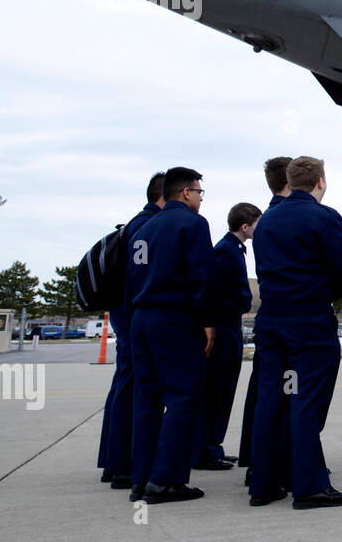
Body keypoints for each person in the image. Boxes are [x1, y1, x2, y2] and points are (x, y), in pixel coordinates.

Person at [249, 156, 342, 509]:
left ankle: (263, 483)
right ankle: (308, 485)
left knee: (270, 399)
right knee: (307, 401)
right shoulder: (324, 218)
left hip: (271, 319)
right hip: (309, 319)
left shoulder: (264, 223)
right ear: (320, 182)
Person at [128, 167, 215, 504]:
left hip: (141, 318)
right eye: (199, 192)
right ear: (186, 193)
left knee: (147, 400)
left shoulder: (144, 228)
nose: (200, 198)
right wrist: (207, 319)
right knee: (182, 398)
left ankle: (142, 478)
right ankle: (166, 481)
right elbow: (201, 275)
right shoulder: (192, 223)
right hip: (174, 317)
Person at [97, 171, 164, 489]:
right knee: (131, 387)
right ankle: (123, 465)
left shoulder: (135, 224)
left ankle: (114, 460)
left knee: (124, 385)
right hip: (133, 317)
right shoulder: (147, 226)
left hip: (126, 316)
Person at [193, 202, 261, 471]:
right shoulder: (225, 251)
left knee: (225, 390)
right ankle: (204, 450)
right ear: (245, 226)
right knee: (215, 390)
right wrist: (209, 322)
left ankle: (213, 446)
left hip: (230, 324)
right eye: (257, 223)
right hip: (222, 326)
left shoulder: (234, 249)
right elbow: (211, 290)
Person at [239, 157, 292, 485]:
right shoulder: (290, 218)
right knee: (288, 393)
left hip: (270, 319)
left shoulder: (266, 220)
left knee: (266, 393)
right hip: (294, 321)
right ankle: (281, 463)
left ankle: (258, 463)